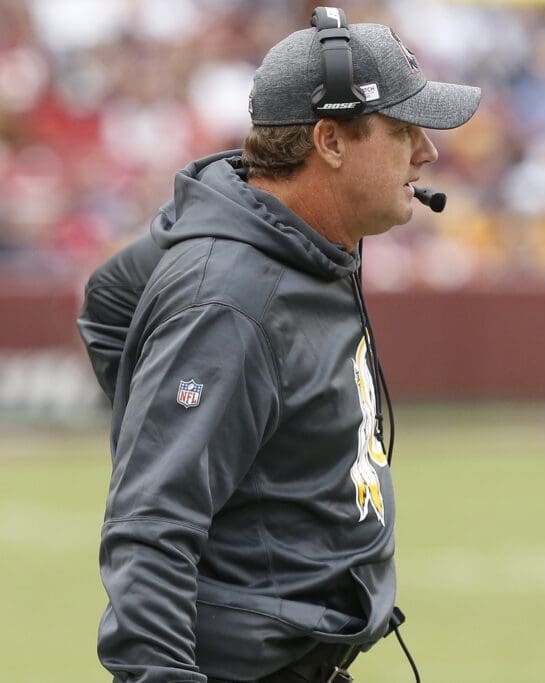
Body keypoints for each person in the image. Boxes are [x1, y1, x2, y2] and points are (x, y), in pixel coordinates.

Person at [76, 9, 480, 682]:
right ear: (329, 140)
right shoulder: (231, 297)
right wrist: (170, 421)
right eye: (404, 129)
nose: (426, 153)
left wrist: (240, 468)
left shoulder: (285, 241)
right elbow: (151, 529)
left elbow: (110, 298)